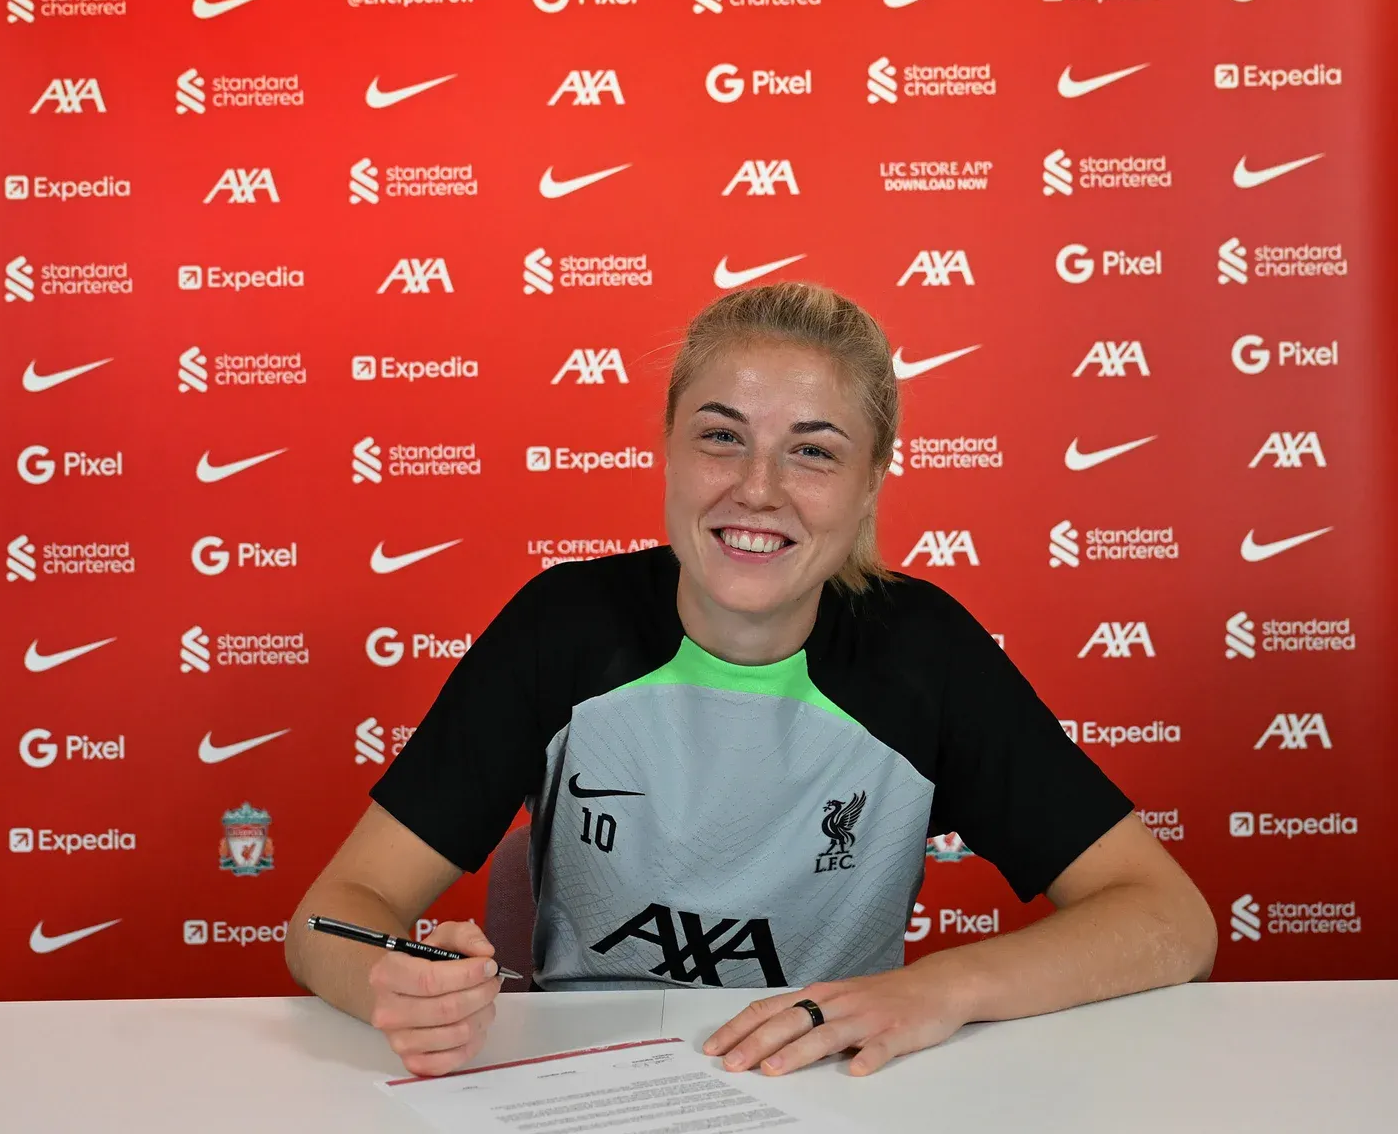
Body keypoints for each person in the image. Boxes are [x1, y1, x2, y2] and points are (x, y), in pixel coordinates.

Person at [286, 282, 1218, 1079]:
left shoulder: (925, 652)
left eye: (813, 450)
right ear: (668, 448)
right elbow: (329, 916)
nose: (758, 487)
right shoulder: (563, 625)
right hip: (592, 1085)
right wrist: (395, 987)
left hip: (830, 1082)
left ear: (871, 482)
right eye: (721, 437)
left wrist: (940, 987)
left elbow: (1170, 920)